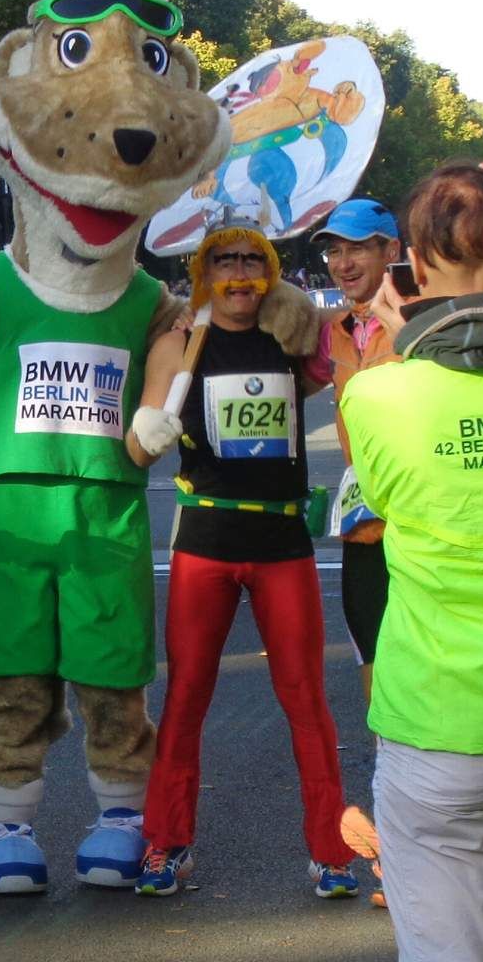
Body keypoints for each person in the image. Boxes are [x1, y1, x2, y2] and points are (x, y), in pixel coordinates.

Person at [341, 164, 483, 962]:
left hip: (441, 724)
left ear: (415, 266)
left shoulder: (381, 397)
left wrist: (398, 335)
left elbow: (380, 502)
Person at [125, 220, 357, 898]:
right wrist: (149, 431)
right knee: (187, 697)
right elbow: (139, 452)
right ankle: (166, 844)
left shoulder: (292, 336)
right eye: (223, 260)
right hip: (207, 542)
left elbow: (346, 357)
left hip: (282, 543)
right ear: (203, 271)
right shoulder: (180, 343)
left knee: (307, 700)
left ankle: (332, 853)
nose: (238, 273)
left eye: (252, 260)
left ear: (271, 269)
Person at [305, 198, 401, 706]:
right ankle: (387, 764)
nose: (343, 263)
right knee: (371, 649)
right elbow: (294, 383)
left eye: (359, 248)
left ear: (392, 250)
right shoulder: (335, 332)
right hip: (366, 524)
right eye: (335, 251)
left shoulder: (422, 319)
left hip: (422, 521)